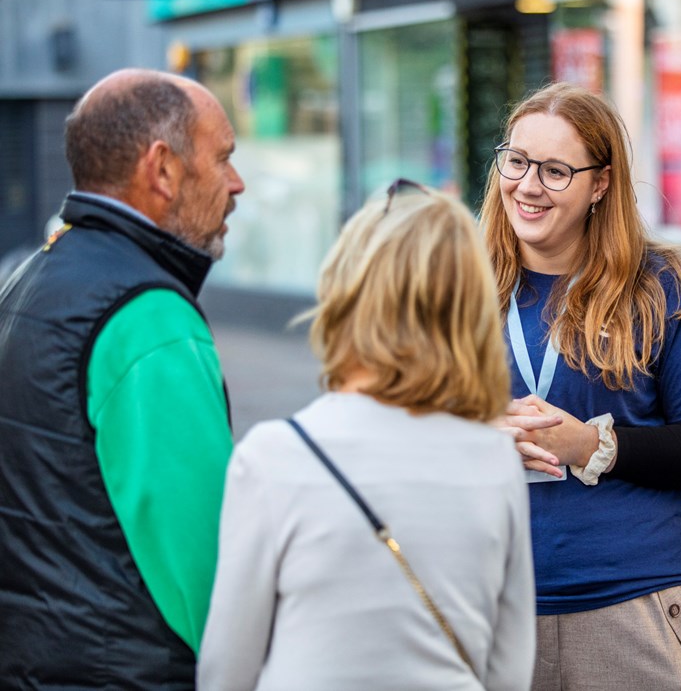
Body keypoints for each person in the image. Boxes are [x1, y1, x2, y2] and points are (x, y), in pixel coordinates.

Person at [198, 182, 536, 690]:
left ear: (345, 291)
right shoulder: (495, 460)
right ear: (470, 313)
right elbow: (509, 672)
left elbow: (226, 672)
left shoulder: (273, 458)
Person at [482, 82, 681, 689]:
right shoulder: (461, 282)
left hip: (630, 603)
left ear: (600, 184)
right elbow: (407, 431)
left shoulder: (661, 287)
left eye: (555, 171)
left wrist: (593, 446)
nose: (527, 186)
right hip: (492, 600)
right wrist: (475, 434)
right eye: (517, 162)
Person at [0, 68, 245, 687]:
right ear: (161, 169)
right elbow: (203, 567)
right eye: (223, 159)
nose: (237, 184)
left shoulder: (27, 280)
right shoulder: (149, 316)